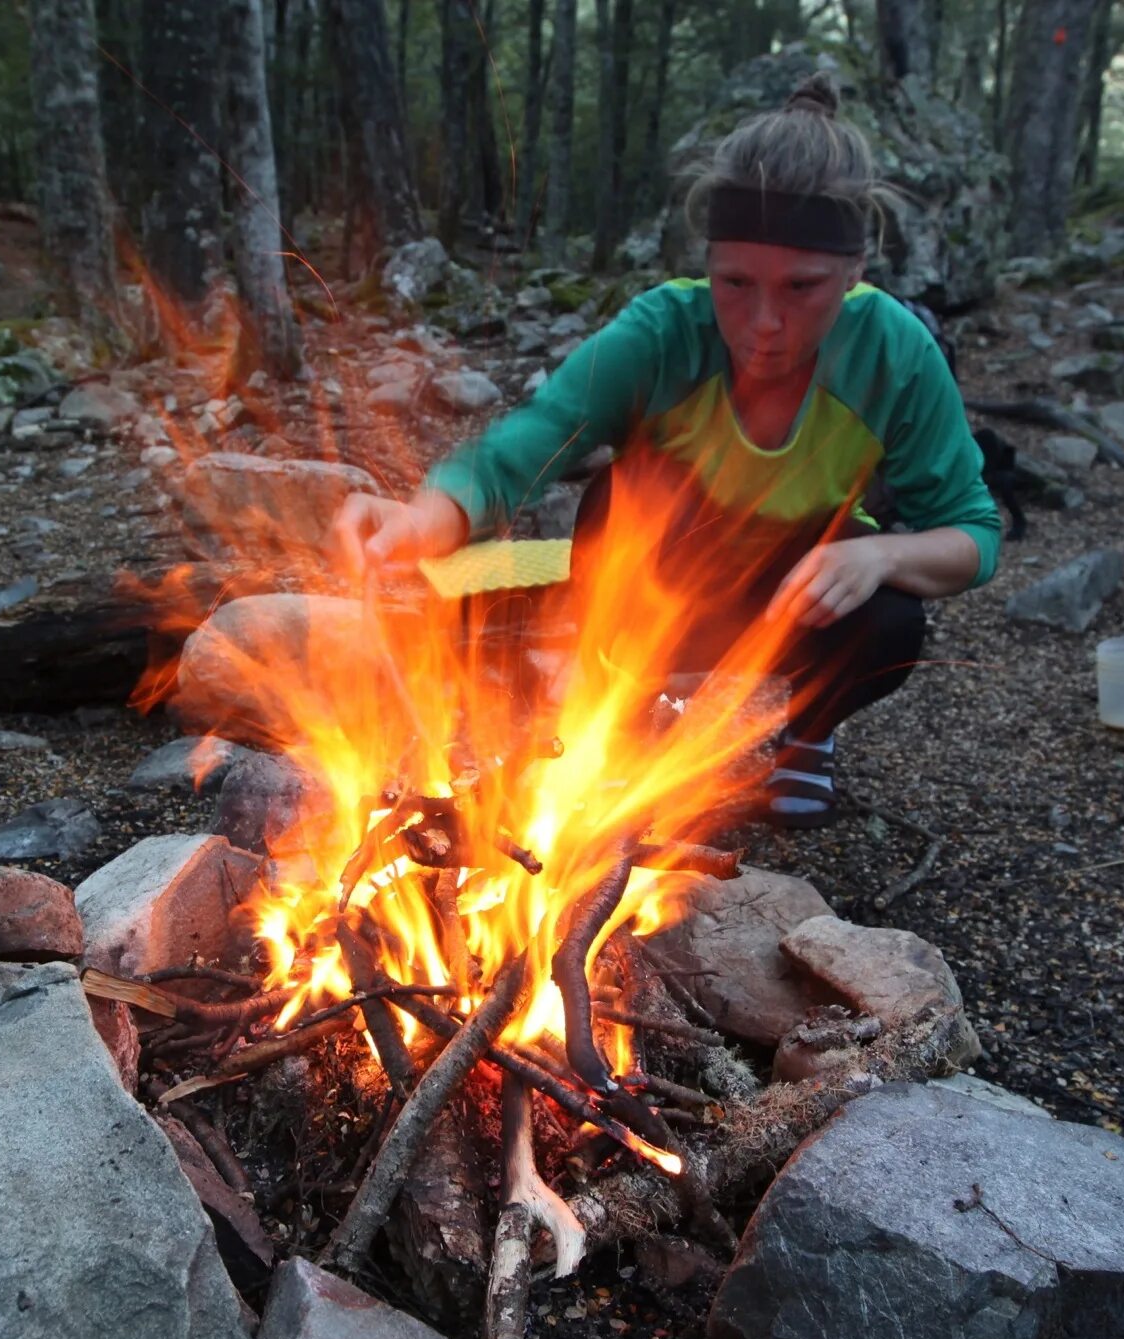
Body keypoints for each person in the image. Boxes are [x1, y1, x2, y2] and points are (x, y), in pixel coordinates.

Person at [334, 72, 1000, 829]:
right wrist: (428, 518)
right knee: (615, 502)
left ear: (855, 273)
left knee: (892, 624)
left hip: (797, 590)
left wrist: (880, 557)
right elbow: (530, 441)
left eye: (802, 287)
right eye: (736, 282)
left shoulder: (895, 355)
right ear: (706, 265)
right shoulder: (663, 333)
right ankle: (631, 695)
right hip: (669, 572)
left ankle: (808, 734)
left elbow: (973, 533)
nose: (764, 322)